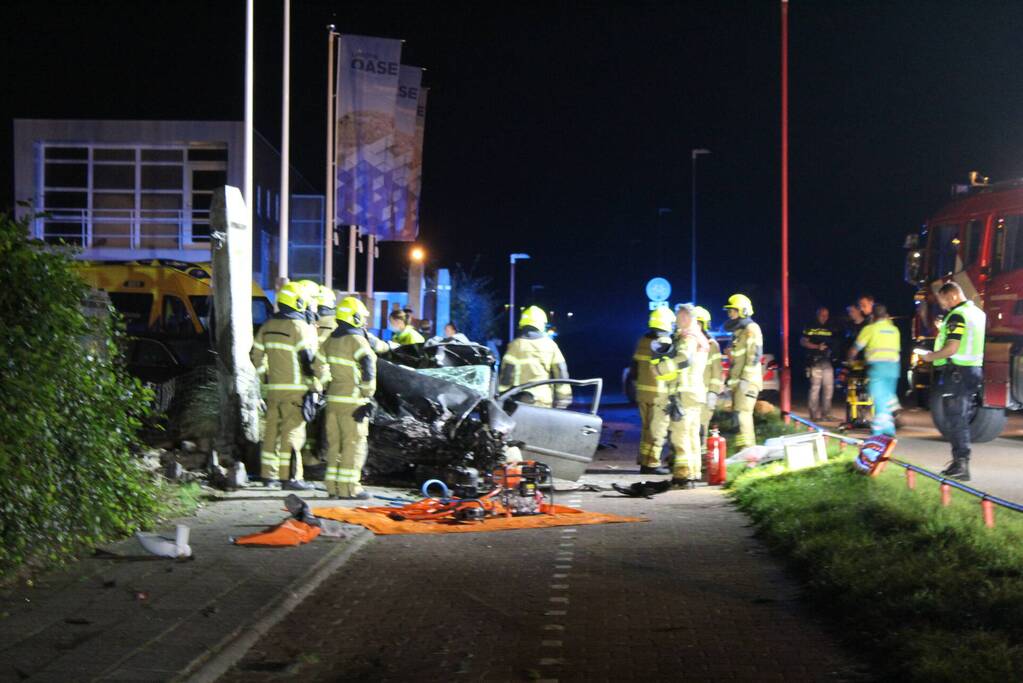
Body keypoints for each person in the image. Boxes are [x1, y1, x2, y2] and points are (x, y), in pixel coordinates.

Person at [250, 281, 318, 490]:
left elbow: (256, 355)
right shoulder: (300, 327)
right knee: (293, 434)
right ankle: (291, 478)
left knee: (272, 432)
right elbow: (308, 361)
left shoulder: (267, 326)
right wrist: (314, 386)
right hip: (296, 391)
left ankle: (268, 476)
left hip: (274, 389)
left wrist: (265, 378)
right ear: (298, 302)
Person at [314, 296, 378, 499]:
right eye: (362, 317)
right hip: (353, 402)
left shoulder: (330, 340)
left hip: (333, 400)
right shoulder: (357, 340)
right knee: (354, 444)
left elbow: (318, 364)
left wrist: (325, 384)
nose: (365, 321)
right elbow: (368, 361)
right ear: (355, 317)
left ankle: (332, 488)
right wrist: (368, 393)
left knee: (335, 445)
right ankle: (350, 488)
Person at [921, 282, 986, 481]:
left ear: (952, 297)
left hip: (958, 372)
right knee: (961, 418)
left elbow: (952, 347)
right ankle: (959, 462)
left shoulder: (958, 315)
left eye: (943, 301)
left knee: (956, 419)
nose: (943, 306)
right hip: (973, 370)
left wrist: (930, 357)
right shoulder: (977, 313)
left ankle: (961, 464)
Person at [632, 306, 679, 475]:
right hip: (659, 393)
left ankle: (645, 462)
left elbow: (634, 367)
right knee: (658, 430)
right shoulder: (666, 343)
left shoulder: (642, 341)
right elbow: (671, 370)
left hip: (642, 392)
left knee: (646, 429)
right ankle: (652, 463)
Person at [499, 305, 572, 409]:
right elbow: (560, 371)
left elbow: (506, 374)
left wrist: (503, 395)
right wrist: (563, 398)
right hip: (544, 401)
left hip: (520, 403)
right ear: (542, 324)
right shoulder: (550, 345)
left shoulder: (515, 346)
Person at [669, 304, 709, 487]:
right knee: (692, 433)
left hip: (685, 391)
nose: (676, 320)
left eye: (678, 316)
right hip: (696, 391)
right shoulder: (699, 336)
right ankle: (693, 472)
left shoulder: (688, 337)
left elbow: (683, 359)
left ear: (685, 317)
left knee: (680, 434)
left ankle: (682, 475)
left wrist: (660, 368)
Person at [848, 303, 900, 437]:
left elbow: (855, 349)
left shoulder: (870, 329)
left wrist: (850, 360)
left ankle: (879, 430)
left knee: (878, 397)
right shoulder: (894, 330)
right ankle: (889, 426)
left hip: (878, 368)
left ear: (873, 315)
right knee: (887, 397)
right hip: (894, 369)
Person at [724, 294, 763, 449]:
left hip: (747, 382)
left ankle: (748, 454)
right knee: (738, 417)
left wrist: (745, 380)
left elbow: (754, 356)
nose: (729, 314)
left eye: (732, 310)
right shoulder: (739, 332)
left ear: (743, 311)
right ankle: (742, 451)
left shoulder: (751, 329)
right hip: (739, 383)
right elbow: (739, 360)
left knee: (743, 416)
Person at [693, 306, 724, 454]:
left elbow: (717, 372)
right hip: (689, 394)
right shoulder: (686, 343)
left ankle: (703, 458)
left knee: (702, 426)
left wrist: (713, 392)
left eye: (698, 323)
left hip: (705, 395)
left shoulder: (712, 345)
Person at [801, 306, 837, 422]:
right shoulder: (810, 325)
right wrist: (817, 347)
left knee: (829, 388)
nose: (824, 317)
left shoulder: (830, 326)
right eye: (822, 315)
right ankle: (813, 415)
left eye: (826, 315)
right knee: (815, 388)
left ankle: (826, 414)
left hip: (827, 361)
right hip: (814, 361)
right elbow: (803, 342)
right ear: (817, 315)